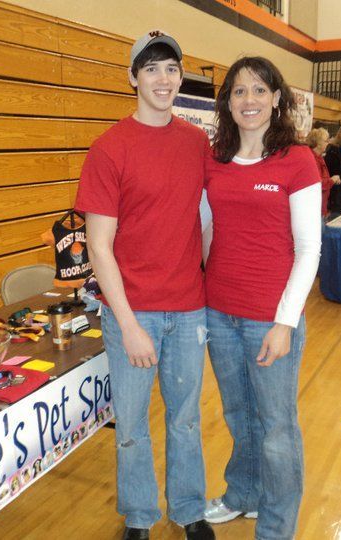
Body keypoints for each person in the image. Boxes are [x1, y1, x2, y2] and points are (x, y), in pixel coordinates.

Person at [75, 30, 214, 540]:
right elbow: (99, 247)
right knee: (131, 428)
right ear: (133, 77)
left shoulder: (198, 142)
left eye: (171, 69)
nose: (163, 78)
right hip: (132, 314)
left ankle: (189, 509)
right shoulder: (110, 148)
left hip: (188, 311)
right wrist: (130, 324)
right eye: (151, 68)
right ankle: (138, 517)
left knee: (185, 420)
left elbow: (204, 220)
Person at [201, 56, 322, 540]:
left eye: (258, 90)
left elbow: (310, 248)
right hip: (219, 312)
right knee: (237, 416)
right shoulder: (214, 159)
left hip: (269, 319)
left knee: (276, 429)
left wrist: (285, 321)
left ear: (276, 98)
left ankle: (276, 526)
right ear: (227, 102)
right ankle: (243, 494)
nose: (248, 100)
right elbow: (204, 230)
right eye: (238, 91)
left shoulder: (297, 160)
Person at [306, 127, 336, 218]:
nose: (328, 143)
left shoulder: (319, 157)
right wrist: (332, 180)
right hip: (314, 210)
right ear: (318, 143)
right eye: (326, 141)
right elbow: (317, 184)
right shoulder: (312, 159)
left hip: (321, 208)